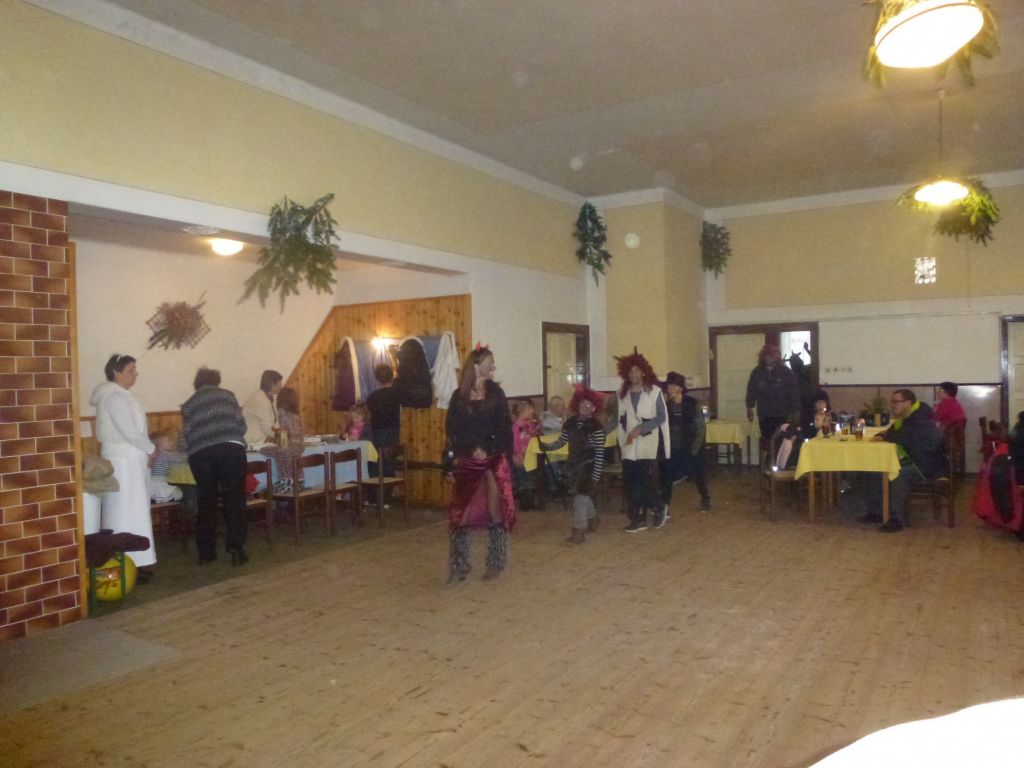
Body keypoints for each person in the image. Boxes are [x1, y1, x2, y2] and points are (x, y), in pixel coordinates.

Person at [444, 345, 516, 582]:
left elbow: (503, 428)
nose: (493, 366)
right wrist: (455, 458)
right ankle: (459, 564)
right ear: (476, 365)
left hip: (492, 458)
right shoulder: (459, 396)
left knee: (494, 510)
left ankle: (496, 561)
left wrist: (487, 448)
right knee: (461, 513)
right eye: (489, 362)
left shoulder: (496, 394)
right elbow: (452, 431)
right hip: (468, 458)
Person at [89, 354, 157, 575]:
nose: (135, 374)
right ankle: (130, 560)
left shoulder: (121, 395)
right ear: (116, 373)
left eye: (135, 369)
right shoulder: (115, 397)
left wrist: (147, 449)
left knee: (132, 510)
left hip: (129, 458)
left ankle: (136, 559)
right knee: (127, 511)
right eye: (130, 370)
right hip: (124, 460)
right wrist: (151, 449)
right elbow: (129, 431)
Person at [181, 367, 249, 565]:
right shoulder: (228, 396)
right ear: (216, 381)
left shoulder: (188, 404)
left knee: (206, 502)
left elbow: (185, 436)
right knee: (234, 500)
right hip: (231, 449)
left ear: (197, 383)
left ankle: (206, 553)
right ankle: (236, 549)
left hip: (201, 455)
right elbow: (241, 426)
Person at [863, 389, 945, 533]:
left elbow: (902, 436)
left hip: (926, 466)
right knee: (875, 468)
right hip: (915, 459)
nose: (892, 405)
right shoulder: (907, 417)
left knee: (898, 475)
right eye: (892, 402)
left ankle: (896, 520)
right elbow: (892, 432)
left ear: (908, 403)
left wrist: (885, 436)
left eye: (896, 402)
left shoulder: (920, 418)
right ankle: (877, 512)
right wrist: (884, 435)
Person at [542, 386, 606, 543]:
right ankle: (593, 518)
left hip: (589, 467)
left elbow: (599, 453)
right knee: (582, 496)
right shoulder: (570, 423)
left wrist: (596, 474)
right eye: (582, 403)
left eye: (588, 404)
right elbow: (562, 441)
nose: (585, 406)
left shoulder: (597, 427)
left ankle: (578, 530)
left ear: (594, 408)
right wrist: (548, 447)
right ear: (577, 405)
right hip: (573, 466)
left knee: (579, 498)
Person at [616, 349, 670, 532]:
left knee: (643, 480)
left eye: (636, 370)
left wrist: (643, 427)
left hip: (647, 443)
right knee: (630, 482)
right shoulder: (622, 393)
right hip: (629, 443)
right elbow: (618, 418)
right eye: (630, 371)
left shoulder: (654, 392)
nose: (633, 374)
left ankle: (657, 506)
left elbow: (661, 416)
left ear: (643, 372)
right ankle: (638, 519)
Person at [660, 372, 712, 514]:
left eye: (674, 385)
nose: (670, 388)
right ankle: (664, 506)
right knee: (668, 476)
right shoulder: (666, 405)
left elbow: (701, 428)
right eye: (669, 385)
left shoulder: (692, 403)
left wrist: (694, 449)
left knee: (697, 475)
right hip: (673, 446)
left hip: (691, 445)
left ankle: (705, 498)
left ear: (681, 388)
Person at [745, 344, 800, 452]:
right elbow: (751, 391)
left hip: (782, 414)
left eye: (772, 356)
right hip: (764, 414)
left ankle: (780, 461)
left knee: (782, 441)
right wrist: (749, 408)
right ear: (763, 357)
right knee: (767, 440)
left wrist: (796, 410)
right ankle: (769, 459)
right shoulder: (757, 372)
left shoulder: (785, 372)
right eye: (767, 356)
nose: (770, 359)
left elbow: (794, 393)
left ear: (777, 357)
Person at [365, 363, 402, 506]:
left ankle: (375, 498)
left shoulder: (373, 396)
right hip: (394, 431)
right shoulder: (396, 393)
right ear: (391, 376)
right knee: (389, 464)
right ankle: (386, 498)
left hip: (378, 431)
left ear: (376, 378)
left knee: (375, 464)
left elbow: (368, 415)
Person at [261, 387, 304, 493]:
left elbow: (283, 432)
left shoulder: (281, 412)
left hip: (287, 449)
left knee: (263, 451)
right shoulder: (296, 414)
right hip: (299, 449)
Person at [511, 399, 539, 510]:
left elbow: (533, 435)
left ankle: (530, 501)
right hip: (521, 456)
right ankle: (524, 502)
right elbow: (515, 441)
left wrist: (534, 428)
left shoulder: (528, 424)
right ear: (523, 411)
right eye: (530, 409)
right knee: (522, 478)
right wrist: (518, 454)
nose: (532, 411)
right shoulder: (516, 426)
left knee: (530, 477)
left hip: (530, 455)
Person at [243, 369, 283, 444]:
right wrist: (284, 435)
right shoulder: (260, 400)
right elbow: (268, 429)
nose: (281, 386)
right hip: (254, 441)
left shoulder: (266, 396)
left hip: (262, 438)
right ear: (272, 384)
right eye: (280, 383)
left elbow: (274, 423)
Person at [148, 430, 188, 503]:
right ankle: (169, 502)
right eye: (169, 440)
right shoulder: (166, 454)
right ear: (160, 444)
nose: (172, 442)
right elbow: (183, 459)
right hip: (160, 484)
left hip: (150, 484)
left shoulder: (152, 456)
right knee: (179, 493)